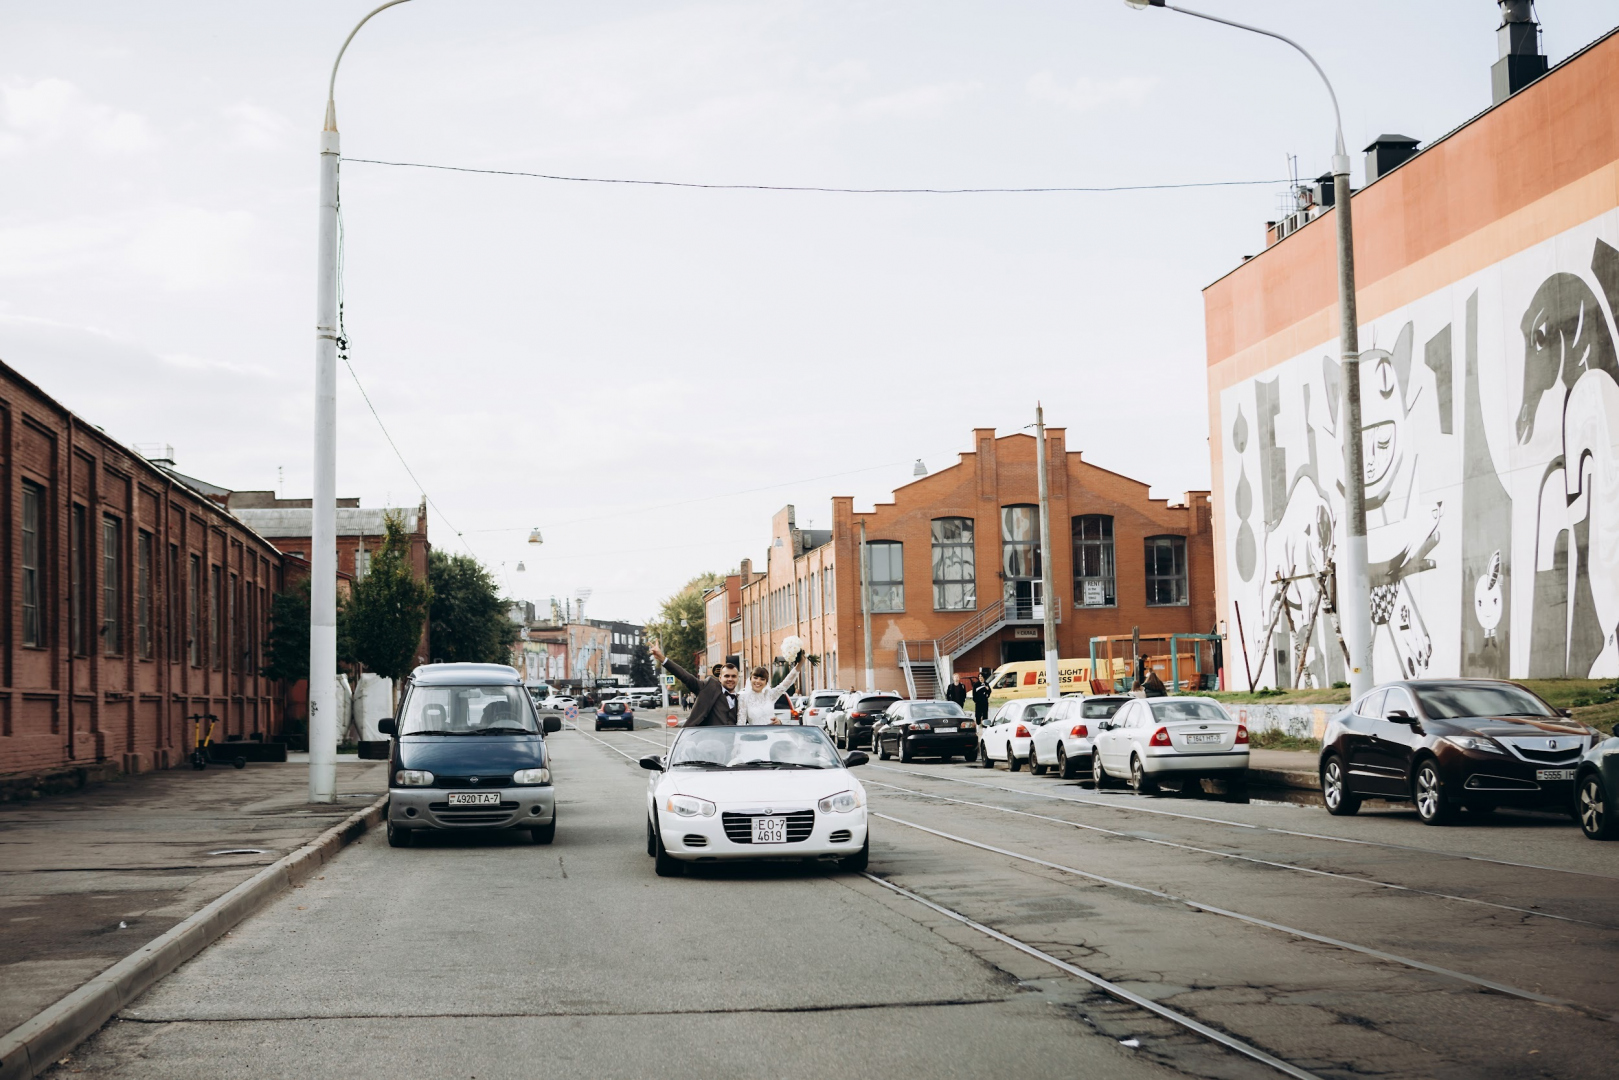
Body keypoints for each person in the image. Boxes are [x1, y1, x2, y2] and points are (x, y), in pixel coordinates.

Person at [650, 642, 739, 726]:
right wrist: (662, 658)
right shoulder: (709, 687)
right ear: (720, 678)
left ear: (737, 678)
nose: (730, 679)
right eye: (727, 676)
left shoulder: (742, 699)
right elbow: (686, 677)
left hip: (731, 741)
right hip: (707, 739)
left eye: (733, 676)